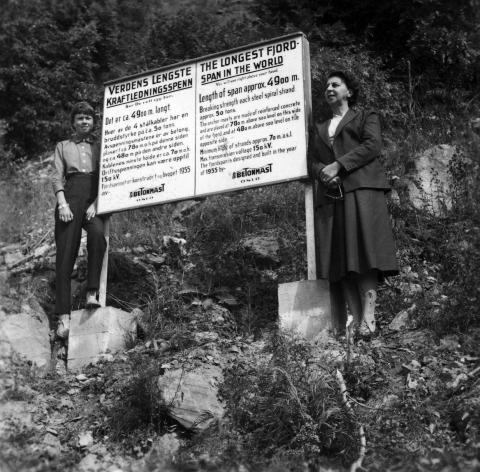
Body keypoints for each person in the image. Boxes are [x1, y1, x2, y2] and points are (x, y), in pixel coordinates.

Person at [308, 71, 398, 335]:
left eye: (335, 84)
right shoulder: (319, 127)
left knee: (364, 252)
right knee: (340, 258)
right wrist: (323, 173)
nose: (329, 88)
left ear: (349, 92)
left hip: (362, 190)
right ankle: (356, 320)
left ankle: (369, 319)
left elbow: (373, 145)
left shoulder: (365, 117)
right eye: (326, 86)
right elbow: (311, 161)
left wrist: (339, 165)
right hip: (331, 196)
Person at [51, 101, 107, 339]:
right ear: (73, 122)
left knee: (97, 235)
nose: (84, 121)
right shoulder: (63, 146)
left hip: (94, 198)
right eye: (80, 118)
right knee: (66, 256)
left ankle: (92, 292)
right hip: (70, 198)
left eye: (88, 118)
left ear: (93, 122)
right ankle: (63, 317)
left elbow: (108, 174)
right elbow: (56, 176)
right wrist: (63, 204)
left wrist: (97, 203)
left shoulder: (101, 146)